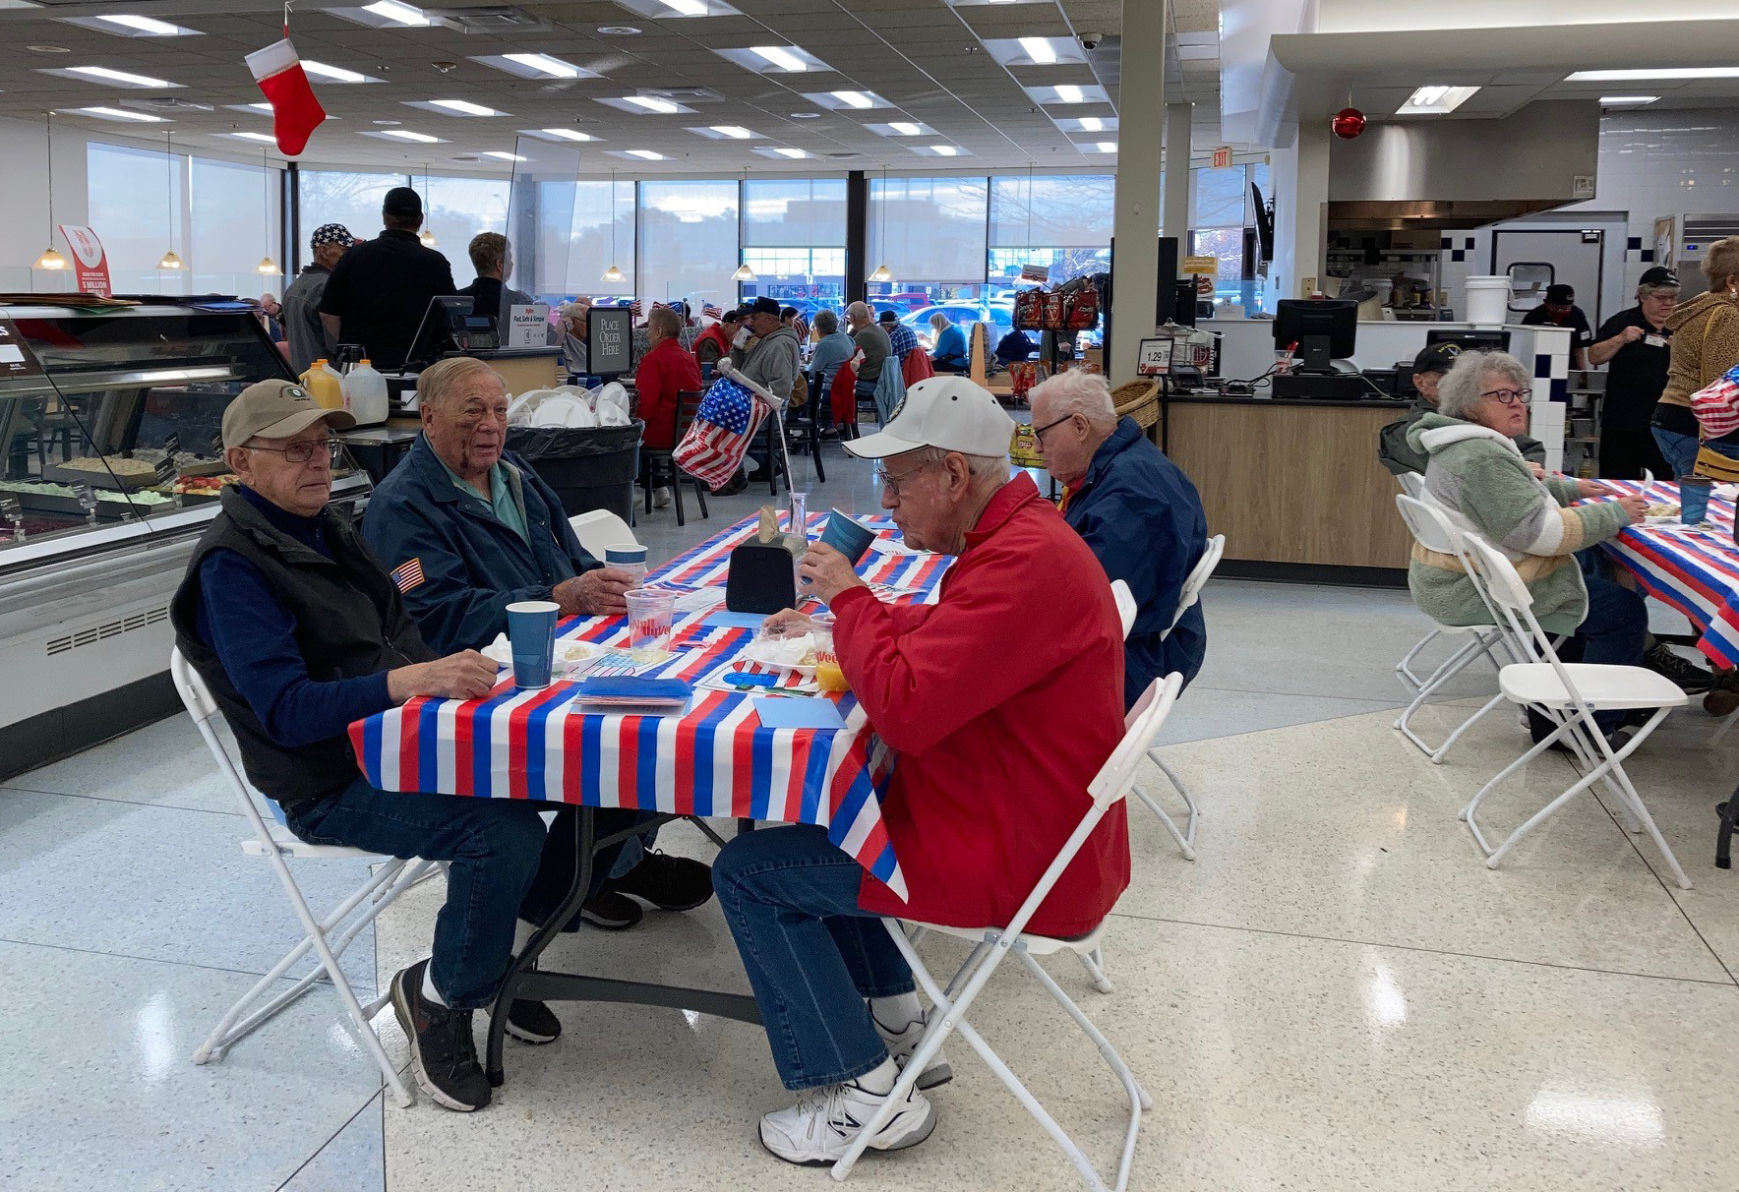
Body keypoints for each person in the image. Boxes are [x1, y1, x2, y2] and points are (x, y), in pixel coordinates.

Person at [168, 379, 641, 1113]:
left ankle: (496, 958)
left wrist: (453, 688)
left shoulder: (328, 525)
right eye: (293, 449)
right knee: (500, 831)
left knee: (609, 770)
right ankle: (440, 996)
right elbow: (287, 713)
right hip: (328, 781)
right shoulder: (233, 567)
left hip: (410, 741)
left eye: (322, 445)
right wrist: (412, 680)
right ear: (240, 462)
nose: (317, 462)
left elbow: (404, 635)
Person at [711, 375, 1128, 1167]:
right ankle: (899, 1020)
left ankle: (864, 1094)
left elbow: (904, 710)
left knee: (749, 870)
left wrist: (852, 598)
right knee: (819, 823)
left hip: (1014, 854)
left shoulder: (1020, 560)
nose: (888, 502)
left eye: (896, 482)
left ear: (953, 476)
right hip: (1037, 821)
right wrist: (858, 618)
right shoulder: (1023, 536)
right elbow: (960, 631)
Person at [361, 356, 714, 929]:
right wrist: (559, 595)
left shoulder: (517, 474)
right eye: (472, 411)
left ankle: (611, 862)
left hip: (565, 660)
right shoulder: (403, 507)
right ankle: (555, 895)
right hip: (484, 689)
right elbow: (434, 619)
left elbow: (571, 561)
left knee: (666, 714)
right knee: (626, 744)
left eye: (499, 410)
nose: (491, 425)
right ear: (427, 417)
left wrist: (598, 588)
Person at [1404, 350, 1655, 735]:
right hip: (1476, 589)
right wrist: (1616, 513)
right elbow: (1540, 535)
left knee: (1588, 586)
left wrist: (1566, 488)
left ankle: (1552, 716)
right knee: (1621, 610)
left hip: (1460, 579)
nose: (1518, 403)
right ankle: (1589, 729)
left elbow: (1506, 499)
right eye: (1502, 396)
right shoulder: (1481, 456)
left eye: (1520, 394)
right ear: (1470, 405)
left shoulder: (1463, 443)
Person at [1029, 369, 1208, 706]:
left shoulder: (1131, 496)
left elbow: (1086, 605)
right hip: (1147, 639)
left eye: (1042, 435)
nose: (1038, 449)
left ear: (1079, 427)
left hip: (1138, 658)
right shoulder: (1121, 467)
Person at [317, 187, 456, 371]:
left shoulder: (354, 256)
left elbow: (328, 314)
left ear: (384, 217)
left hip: (361, 366)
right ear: (420, 219)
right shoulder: (435, 263)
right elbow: (450, 315)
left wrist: (350, 346)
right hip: (416, 367)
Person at [1380, 342, 1546, 476]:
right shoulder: (1407, 430)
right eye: (1448, 375)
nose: (1458, 381)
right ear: (1420, 382)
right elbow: (1455, 465)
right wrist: (1513, 469)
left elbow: (1531, 448)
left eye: (1465, 376)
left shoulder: (1478, 419)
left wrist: (1526, 468)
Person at [1652, 236, 1739, 480]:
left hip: (1672, 418)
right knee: (1708, 509)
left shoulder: (1700, 307)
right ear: (1732, 281)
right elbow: (1724, 385)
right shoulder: (1728, 316)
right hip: (1695, 425)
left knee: (1692, 504)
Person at [1590, 267, 1678, 480]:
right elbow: (1594, 356)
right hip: (1622, 422)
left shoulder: (1682, 325)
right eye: (1661, 298)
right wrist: (1620, 338)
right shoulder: (1622, 321)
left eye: (1673, 298)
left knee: (1665, 483)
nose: (1668, 303)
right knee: (1616, 482)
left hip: (1666, 423)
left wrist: (1682, 349)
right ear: (1642, 297)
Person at [635, 304, 703, 507]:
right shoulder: (689, 359)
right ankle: (659, 487)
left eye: (649, 331)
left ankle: (624, 493)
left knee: (626, 433)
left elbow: (645, 406)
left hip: (661, 435)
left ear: (657, 331)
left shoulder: (652, 360)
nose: (648, 336)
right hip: (687, 433)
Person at [282, 223, 354, 374]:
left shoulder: (293, 288)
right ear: (323, 250)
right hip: (330, 378)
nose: (349, 255)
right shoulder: (329, 286)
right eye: (344, 249)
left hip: (303, 377)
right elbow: (338, 343)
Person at [456, 232, 534, 324]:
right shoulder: (519, 302)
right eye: (510, 259)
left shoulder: (457, 301)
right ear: (500, 265)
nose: (512, 263)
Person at [1519, 283, 1595, 370]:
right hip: (1539, 364)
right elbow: (1524, 346)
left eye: (1565, 308)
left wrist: (1583, 373)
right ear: (1547, 304)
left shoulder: (1577, 315)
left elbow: (1579, 348)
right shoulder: (1534, 316)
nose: (1560, 311)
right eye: (1556, 308)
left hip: (1568, 365)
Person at [846, 301, 893, 424]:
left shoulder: (864, 335)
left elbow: (847, 359)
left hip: (870, 385)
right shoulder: (880, 330)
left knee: (833, 387)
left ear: (853, 318)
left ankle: (838, 426)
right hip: (882, 383)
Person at [557, 299, 590, 376]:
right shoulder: (562, 348)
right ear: (573, 321)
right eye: (586, 321)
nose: (591, 325)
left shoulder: (593, 344)